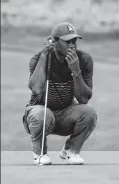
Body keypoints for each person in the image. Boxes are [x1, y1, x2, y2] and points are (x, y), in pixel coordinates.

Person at [22, 22, 97, 165]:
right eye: (67, 41)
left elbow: (84, 99)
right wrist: (45, 55)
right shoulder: (38, 59)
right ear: (54, 41)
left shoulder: (84, 60)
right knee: (42, 114)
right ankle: (40, 153)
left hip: (65, 115)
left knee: (89, 113)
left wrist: (75, 70)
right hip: (40, 113)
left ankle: (71, 151)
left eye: (74, 40)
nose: (72, 45)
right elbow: (36, 88)